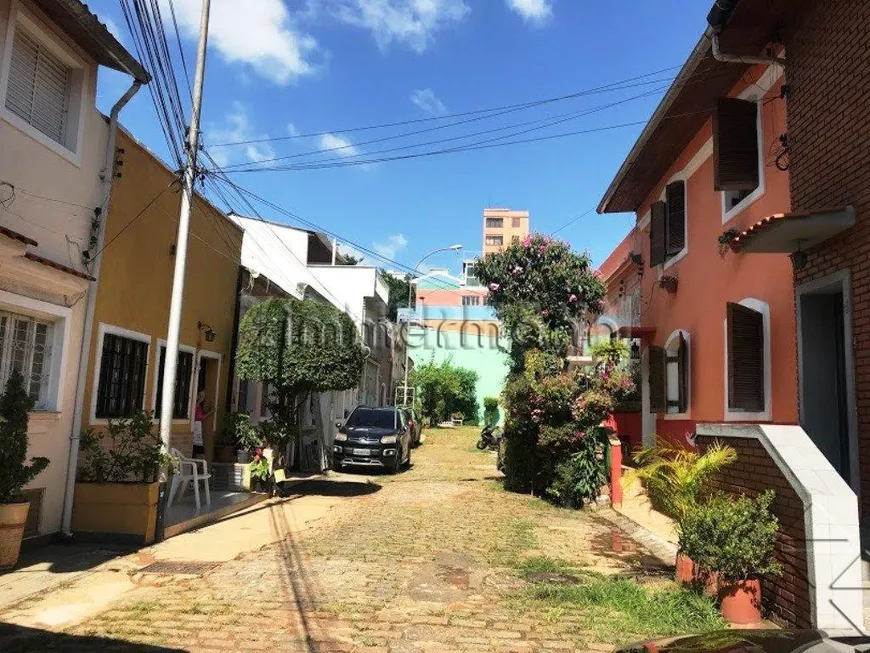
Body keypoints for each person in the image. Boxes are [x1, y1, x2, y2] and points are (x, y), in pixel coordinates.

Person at [193, 389, 212, 459]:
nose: (201, 398)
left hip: (198, 428)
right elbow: (199, 417)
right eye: (200, 396)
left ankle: (196, 468)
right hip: (195, 428)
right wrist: (211, 412)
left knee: (200, 454)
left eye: (203, 397)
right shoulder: (195, 404)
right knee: (199, 453)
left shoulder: (198, 405)